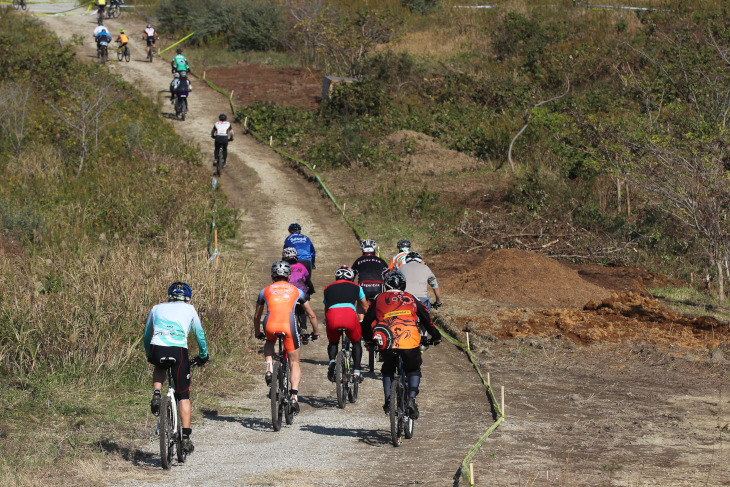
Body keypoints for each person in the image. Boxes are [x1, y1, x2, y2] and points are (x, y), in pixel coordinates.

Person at [361, 271, 441, 420]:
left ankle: (389, 400)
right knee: (413, 369)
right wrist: (436, 336)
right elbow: (426, 319)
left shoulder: (379, 298)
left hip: (387, 339)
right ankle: (411, 399)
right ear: (403, 285)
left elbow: (367, 322)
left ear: (385, 285)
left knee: (387, 369)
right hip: (409, 338)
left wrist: (369, 339)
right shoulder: (411, 297)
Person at [144, 282, 209, 454]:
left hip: (157, 347)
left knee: (159, 366)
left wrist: (149, 353)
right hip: (178, 351)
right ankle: (185, 439)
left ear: (169, 296)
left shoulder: (156, 308)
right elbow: (199, 334)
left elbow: (147, 333)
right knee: (183, 396)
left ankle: (157, 394)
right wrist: (203, 355)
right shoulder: (190, 309)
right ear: (188, 298)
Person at [254, 261, 319, 414]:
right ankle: (294, 397)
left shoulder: (264, 290)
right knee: (294, 361)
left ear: (272, 276)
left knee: (270, 340)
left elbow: (257, 316)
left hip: (269, 324)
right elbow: (311, 315)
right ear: (289, 276)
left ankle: (269, 368)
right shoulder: (297, 291)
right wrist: (315, 332)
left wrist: (257, 332)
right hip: (289, 325)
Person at [323, 265, 369, 383]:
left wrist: (326, 319)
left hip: (332, 315)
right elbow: (364, 305)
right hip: (349, 316)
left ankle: (332, 362)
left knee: (333, 342)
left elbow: (326, 307)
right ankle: (357, 371)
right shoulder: (356, 287)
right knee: (356, 342)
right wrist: (368, 318)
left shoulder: (327, 288)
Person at [351, 239, 388, 319]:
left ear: (362, 252)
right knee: (380, 306)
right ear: (374, 251)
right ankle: (380, 322)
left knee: (360, 305)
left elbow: (351, 276)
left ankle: (362, 322)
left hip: (363, 286)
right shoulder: (381, 260)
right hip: (378, 286)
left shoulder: (358, 261)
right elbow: (388, 275)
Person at [282, 247, 314, 331]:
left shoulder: (284, 268)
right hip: (302, 293)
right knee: (302, 310)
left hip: (289, 293)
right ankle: (304, 327)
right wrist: (311, 290)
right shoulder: (302, 266)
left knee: (289, 310)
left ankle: (291, 327)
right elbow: (308, 281)